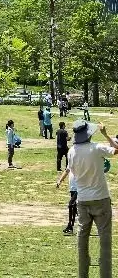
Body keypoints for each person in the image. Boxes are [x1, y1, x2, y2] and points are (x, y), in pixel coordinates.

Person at [68, 119, 118, 278]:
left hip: (82, 199)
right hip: (101, 198)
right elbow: (117, 150)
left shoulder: (71, 151)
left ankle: (83, 274)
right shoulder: (96, 148)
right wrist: (106, 135)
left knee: (82, 240)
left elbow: (73, 172)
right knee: (105, 241)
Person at [57, 160, 79, 235]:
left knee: (71, 205)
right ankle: (73, 227)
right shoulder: (72, 160)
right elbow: (67, 171)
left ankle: (70, 226)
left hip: (80, 188)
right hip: (73, 188)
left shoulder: (82, 160)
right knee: (75, 208)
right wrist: (60, 180)